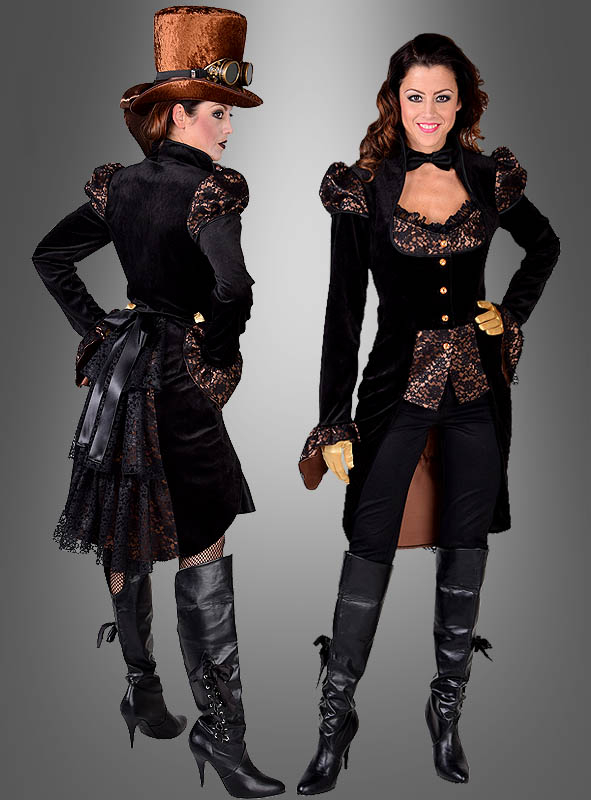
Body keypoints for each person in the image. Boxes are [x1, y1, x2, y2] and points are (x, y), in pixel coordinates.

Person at [31, 6, 284, 797]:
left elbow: (50, 256)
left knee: (126, 528)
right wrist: (215, 350)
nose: (228, 129)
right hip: (174, 379)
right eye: (217, 113)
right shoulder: (210, 190)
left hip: (122, 372)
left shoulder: (121, 187)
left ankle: (142, 691)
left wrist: (99, 328)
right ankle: (222, 736)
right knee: (201, 538)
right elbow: (233, 289)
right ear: (177, 113)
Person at [297, 32, 560, 791]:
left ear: (462, 101)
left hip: (477, 400)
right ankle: (335, 717)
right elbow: (343, 313)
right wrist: (333, 418)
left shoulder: (486, 176)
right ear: (395, 100)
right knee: (368, 541)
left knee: (465, 546)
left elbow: (543, 245)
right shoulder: (365, 189)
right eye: (415, 97)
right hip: (393, 398)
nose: (429, 112)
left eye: (442, 96)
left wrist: (509, 315)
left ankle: (446, 711)